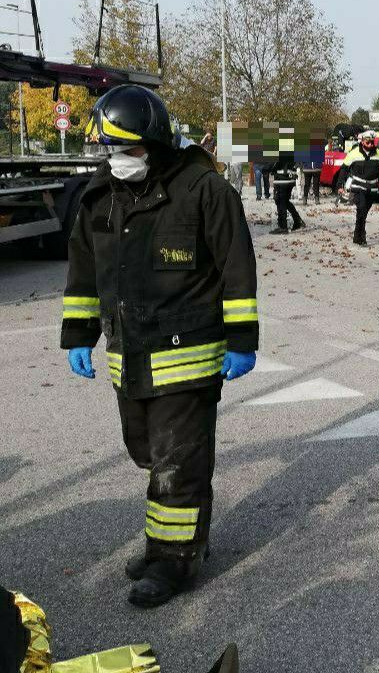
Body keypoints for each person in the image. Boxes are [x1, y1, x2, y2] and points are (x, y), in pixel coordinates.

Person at [62, 84, 258, 608]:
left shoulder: (204, 190)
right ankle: (175, 541)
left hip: (188, 354)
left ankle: (173, 562)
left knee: (178, 465)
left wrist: (241, 339)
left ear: (156, 143)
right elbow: (85, 273)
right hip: (129, 356)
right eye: (111, 151)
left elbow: (237, 268)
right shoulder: (99, 196)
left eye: (128, 150)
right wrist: (78, 334)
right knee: (147, 454)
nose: (118, 160)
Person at [334, 130, 379, 246]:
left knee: (363, 213)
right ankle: (362, 236)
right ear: (362, 142)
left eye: (372, 143)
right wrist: (339, 185)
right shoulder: (353, 153)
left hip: (372, 187)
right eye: (368, 143)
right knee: (361, 208)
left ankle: (357, 235)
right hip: (358, 186)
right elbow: (344, 169)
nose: (371, 145)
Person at [267, 154, 305, 234]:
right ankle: (298, 221)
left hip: (282, 179)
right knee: (285, 202)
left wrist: (265, 168)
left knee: (280, 201)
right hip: (290, 179)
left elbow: (273, 164)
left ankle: (283, 226)